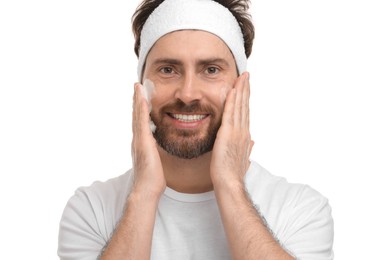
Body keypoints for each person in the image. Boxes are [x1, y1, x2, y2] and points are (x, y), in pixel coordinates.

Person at [58, 0, 334, 259]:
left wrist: (230, 186)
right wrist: (144, 193)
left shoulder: (299, 209)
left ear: (241, 87)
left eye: (211, 70)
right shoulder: (91, 209)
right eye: (167, 70)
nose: (188, 94)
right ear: (141, 85)